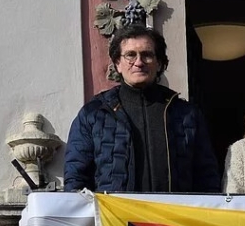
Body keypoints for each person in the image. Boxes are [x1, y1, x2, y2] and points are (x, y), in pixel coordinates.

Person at [64, 24, 220, 193]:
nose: (138, 62)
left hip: (171, 218)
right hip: (114, 218)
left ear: (159, 63)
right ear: (118, 64)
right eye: (130, 55)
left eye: (147, 55)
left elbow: (207, 178)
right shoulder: (94, 113)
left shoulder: (186, 115)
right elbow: (76, 180)